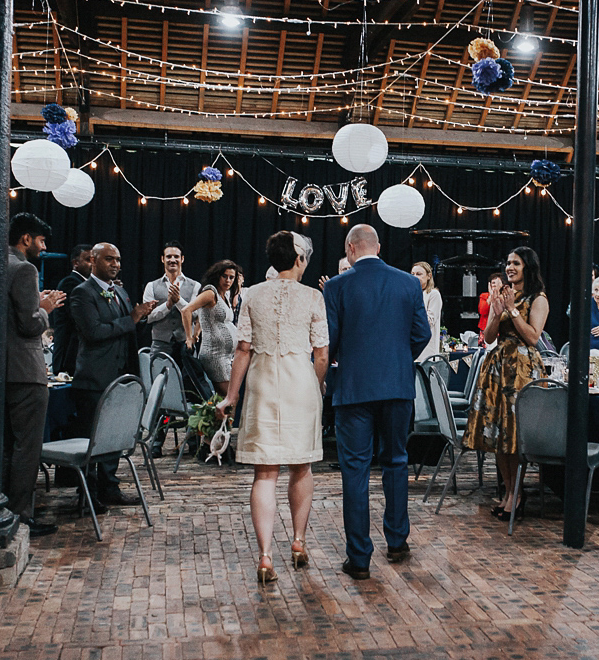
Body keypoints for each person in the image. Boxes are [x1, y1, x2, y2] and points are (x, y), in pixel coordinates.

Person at [217, 231, 328, 584]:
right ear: (299, 259)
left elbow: (243, 349)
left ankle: (265, 556)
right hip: (300, 383)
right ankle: (298, 541)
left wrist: (231, 396)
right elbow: (322, 353)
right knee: (301, 467)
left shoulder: (251, 294)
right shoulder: (313, 297)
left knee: (264, 474)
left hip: (263, 383)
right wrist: (318, 383)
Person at [323, 224, 430, 580]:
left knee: (355, 470)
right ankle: (397, 541)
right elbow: (422, 335)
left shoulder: (337, 286)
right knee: (396, 462)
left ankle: (359, 559)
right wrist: (399, 359)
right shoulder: (409, 283)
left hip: (353, 389)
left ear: (350, 248)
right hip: (398, 387)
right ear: (378, 247)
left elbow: (331, 339)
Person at [463, 247, 550, 522]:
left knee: (516, 434)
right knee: (500, 436)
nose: (510, 267)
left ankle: (518, 494)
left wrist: (512, 311)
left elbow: (533, 337)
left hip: (523, 371)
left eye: (516, 263)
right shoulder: (500, 295)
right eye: (508, 262)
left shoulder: (538, 299)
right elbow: (489, 337)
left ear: (528, 267)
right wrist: (496, 311)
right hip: (498, 368)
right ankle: (508, 490)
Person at [69, 243, 157, 507]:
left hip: (121, 377)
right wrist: (132, 318)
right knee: (92, 438)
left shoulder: (120, 290)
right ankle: (87, 494)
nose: (115, 264)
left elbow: (128, 333)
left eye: (118, 260)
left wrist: (140, 320)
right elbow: (93, 332)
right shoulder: (82, 293)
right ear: (93, 261)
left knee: (113, 436)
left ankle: (110, 488)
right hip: (94, 378)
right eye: (109, 259)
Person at [3, 213, 65, 538]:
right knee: (27, 449)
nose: (43, 247)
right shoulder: (25, 268)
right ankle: (21, 517)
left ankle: (1, 511)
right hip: (26, 372)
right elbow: (29, 324)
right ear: (26, 239)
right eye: (41, 241)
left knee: (4, 447)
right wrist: (46, 309)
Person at [179, 260, 239, 396]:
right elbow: (186, 311)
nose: (228, 280)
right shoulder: (211, 292)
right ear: (217, 275)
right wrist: (189, 337)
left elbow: (203, 315)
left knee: (227, 399)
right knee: (231, 398)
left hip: (226, 356)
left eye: (231, 277)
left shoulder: (226, 295)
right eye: (225, 276)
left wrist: (197, 333)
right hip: (215, 355)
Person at [141, 241, 201, 364]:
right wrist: (168, 304)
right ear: (163, 259)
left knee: (188, 381)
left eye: (176, 256)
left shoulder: (195, 285)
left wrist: (178, 301)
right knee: (159, 380)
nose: (172, 260)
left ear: (182, 259)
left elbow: (196, 315)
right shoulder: (151, 286)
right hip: (160, 344)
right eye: (168, 256)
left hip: (186, 344)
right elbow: (148, 317)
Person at [51, 244, 92, 377]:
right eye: (88, 260)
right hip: (69, 355)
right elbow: (79, 319)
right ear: (76, 263)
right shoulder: (70, 283)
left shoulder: (89, 284)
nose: (93, 264)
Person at [411, 261, 443, 361]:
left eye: (419, 274)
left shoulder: (433, 294)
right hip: (412, 349)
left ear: (429, 276)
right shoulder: (411, 295)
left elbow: (429, 322)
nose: (415, 277)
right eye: (413, 274)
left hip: (427, 353)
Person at [478, 271, 504, 343]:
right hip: (485, 329)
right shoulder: (484, 296)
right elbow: (482, 311)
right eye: (492, 282)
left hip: (500, 329)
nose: (494, 284)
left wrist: (497, 294)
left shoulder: (504, 296)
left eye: (496, 282)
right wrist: (490, 297)